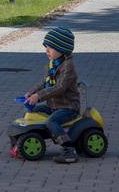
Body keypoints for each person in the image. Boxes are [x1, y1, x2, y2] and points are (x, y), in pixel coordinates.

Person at [25, 26, 80, 164]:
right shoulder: (54, 64)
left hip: (68, 107)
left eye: (51, 48)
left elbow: (59, 88)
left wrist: (39, 96)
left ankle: (69, 150)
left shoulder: (68, 66)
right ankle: (33, 137)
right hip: (54, 106)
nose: (47, 51)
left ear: (62, 49)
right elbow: (45, 81)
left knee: (52, 121)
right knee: (36, 112)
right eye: (46, 47)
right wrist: (32, 92)